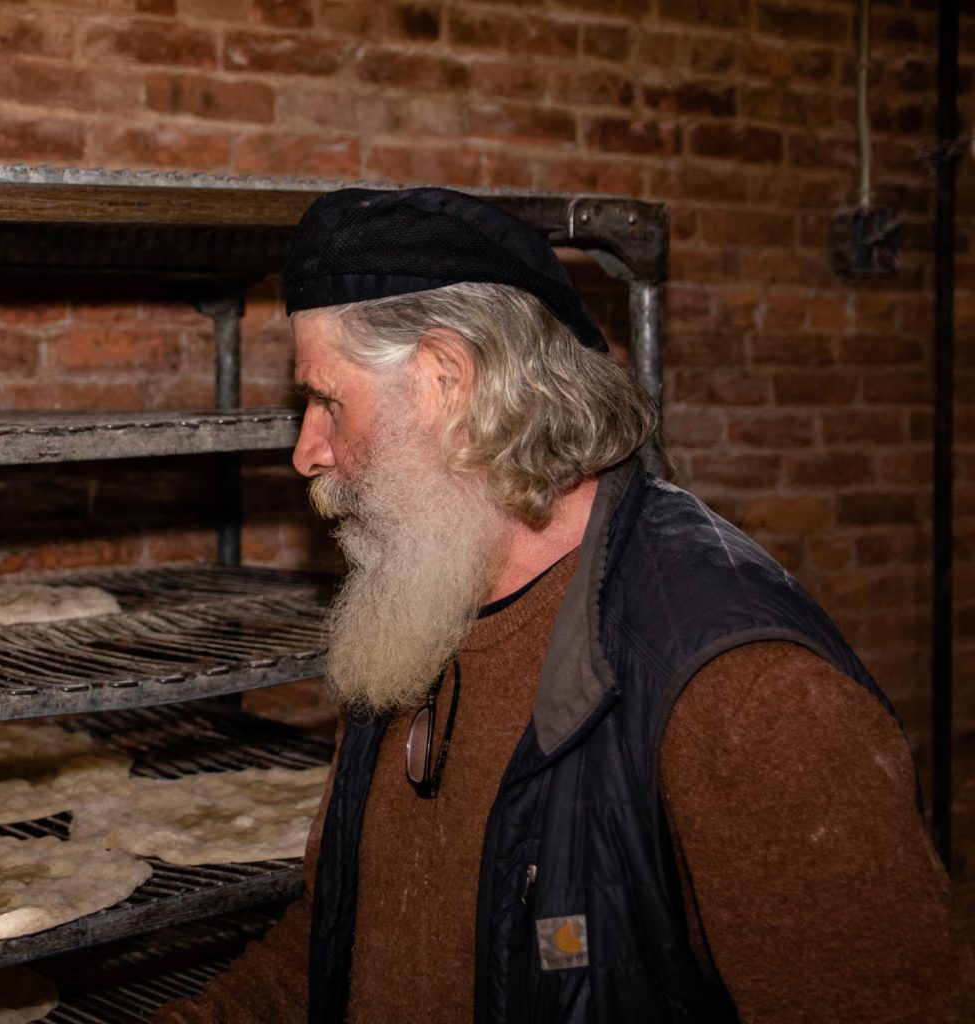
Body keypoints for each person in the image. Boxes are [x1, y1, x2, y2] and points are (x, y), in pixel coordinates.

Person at [152, 187, 975, 1023]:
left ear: (447, 383)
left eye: (328, 402)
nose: (306, 451)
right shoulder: (417, 607)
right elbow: (344, 936)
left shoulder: (743, 694)